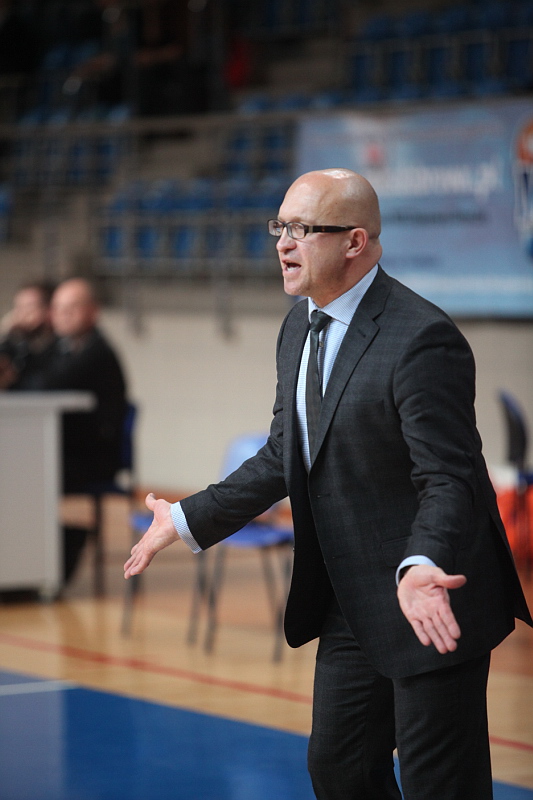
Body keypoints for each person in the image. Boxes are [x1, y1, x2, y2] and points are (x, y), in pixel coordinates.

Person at [124, 169, 532, 799]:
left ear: (354, 242)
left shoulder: (422, 338)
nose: (284, 243)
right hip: (352, 595)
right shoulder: (298, 327)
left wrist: (424, 562)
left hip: (432, 594)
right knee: (339, 769)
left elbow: (449, 479)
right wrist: (183, 518)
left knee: (440, 786)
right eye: (280, 227)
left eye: (303, 229)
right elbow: (282, 455)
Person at [36, 277, 127, 582]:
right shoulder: (59, 347)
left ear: (93, 311)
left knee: (19, 475)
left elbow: (46, 385)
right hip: (64, 452)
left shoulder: (97, 352)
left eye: (72, 307)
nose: (63, 314)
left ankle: (57, 550)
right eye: (57, 308)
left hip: (92, 459)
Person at [0, 280, 56, 391]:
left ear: (48, 310)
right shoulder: (13, 345)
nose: (24, 313)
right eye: (19, 307)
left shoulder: (60, 347)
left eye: (30, 306)